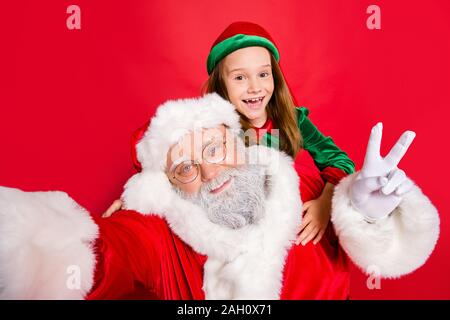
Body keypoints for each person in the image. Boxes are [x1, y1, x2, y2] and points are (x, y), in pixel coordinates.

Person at [0, 94, 440, 299]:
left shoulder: (305, 185)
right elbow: (108, 251)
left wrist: (363, 211)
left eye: (214, 149)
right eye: (185, 168)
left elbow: (387, 254)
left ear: (240, 143)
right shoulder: (162, 236)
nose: (210, 172)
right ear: (169, 186)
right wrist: (24, 232)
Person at [103, 22, 355, 247]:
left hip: (282, 230)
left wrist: (326, 201)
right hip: (234, 235)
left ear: (275, 77)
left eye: (263, 74)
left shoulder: (293, 119)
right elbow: (164, 157)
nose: (255, 87)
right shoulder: (212, 127)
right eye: (240, 78)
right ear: (222, 84)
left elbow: (339, 160)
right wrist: (132, 201)